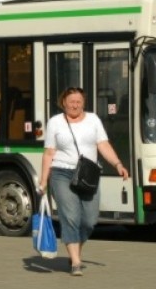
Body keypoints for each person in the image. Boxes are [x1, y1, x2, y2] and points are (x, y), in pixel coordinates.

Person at [37, 87, 129, 277]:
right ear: (64, 102)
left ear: (83, 103)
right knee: (70, 216)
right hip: (62, 173)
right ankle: (76, 262)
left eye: (79, 102)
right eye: (71, 101)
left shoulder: (93, 120)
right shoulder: (55, 122)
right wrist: (44, 180)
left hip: (88, 175)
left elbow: (103, 144)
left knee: (89, 220)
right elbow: (49, 153)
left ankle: (75, 250)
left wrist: (117, 164)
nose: (75, 105)